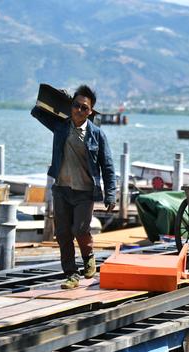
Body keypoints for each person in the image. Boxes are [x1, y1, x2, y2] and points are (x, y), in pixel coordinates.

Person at [31, 85, 117, 289]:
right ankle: (71, 274)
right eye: (76, 105)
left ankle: (88, 256)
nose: (79, 110)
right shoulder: (60, 126)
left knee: (80, 229)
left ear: (90, 111)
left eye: (84, 108)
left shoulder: (97, 135)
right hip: (61, 189)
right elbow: (37, 112)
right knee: (63, 234)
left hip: (84, 192)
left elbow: (107, 166)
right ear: (71, 106)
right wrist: (58, 99)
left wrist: (110, 195)